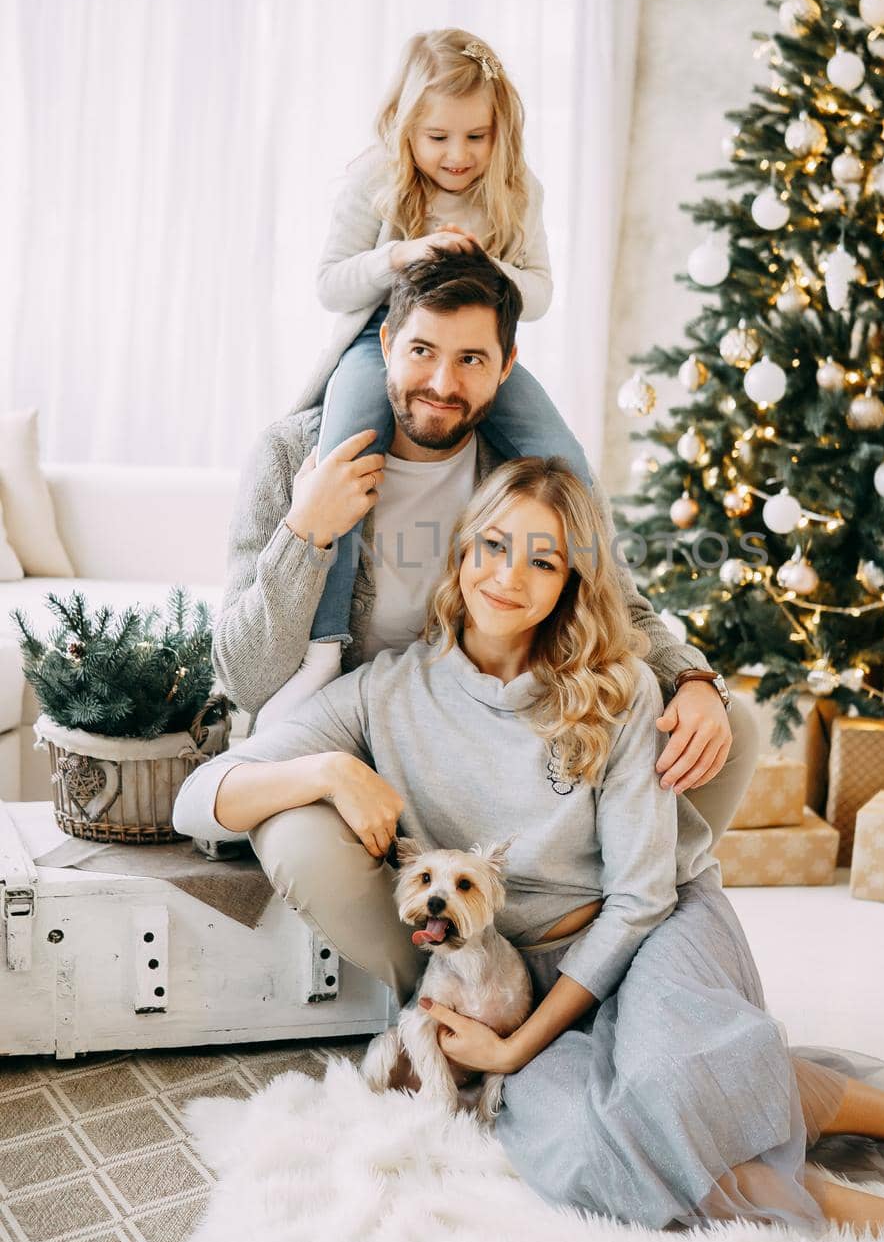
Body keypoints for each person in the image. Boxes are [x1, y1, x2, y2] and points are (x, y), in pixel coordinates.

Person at [173, 458, 884, 1242]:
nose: (507, 576)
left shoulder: (618, 689)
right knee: (597, 1151)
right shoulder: (381, 694)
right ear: (458, 553)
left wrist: (516, 1045)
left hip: (650, 932)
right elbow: (197, 796)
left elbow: (639, 897)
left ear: (572, 583)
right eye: (490, 545)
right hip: (516, 970)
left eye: (542, 561)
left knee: (674, 1088)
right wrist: (328, 769)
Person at [179, 247, 755, 976]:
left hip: (478, 725)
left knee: (728, 724)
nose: (442, 384)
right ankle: (449, 1004)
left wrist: (694, 679)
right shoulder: (294, 454)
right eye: (421, 351)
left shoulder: (518, 468)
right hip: (351, 722)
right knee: (297, 841)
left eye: (472, 360)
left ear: (506, 367)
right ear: (385, 344)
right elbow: (245, 672)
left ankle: (610, 935)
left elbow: (610, 598)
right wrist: (307, 533)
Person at [271, 28, 589, 722]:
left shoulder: (514, 187)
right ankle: (324, 643)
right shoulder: (373, 178)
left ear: (500, 131)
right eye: (438, 138)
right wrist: (403, 254)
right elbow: (328, 284)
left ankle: (601, 612)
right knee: (344, 455)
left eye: (476, 137)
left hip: (476, 347)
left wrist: (483, 264)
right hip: (378, 338)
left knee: (562, 454)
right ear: (406, 128)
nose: (458, 156)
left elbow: (537, 295)